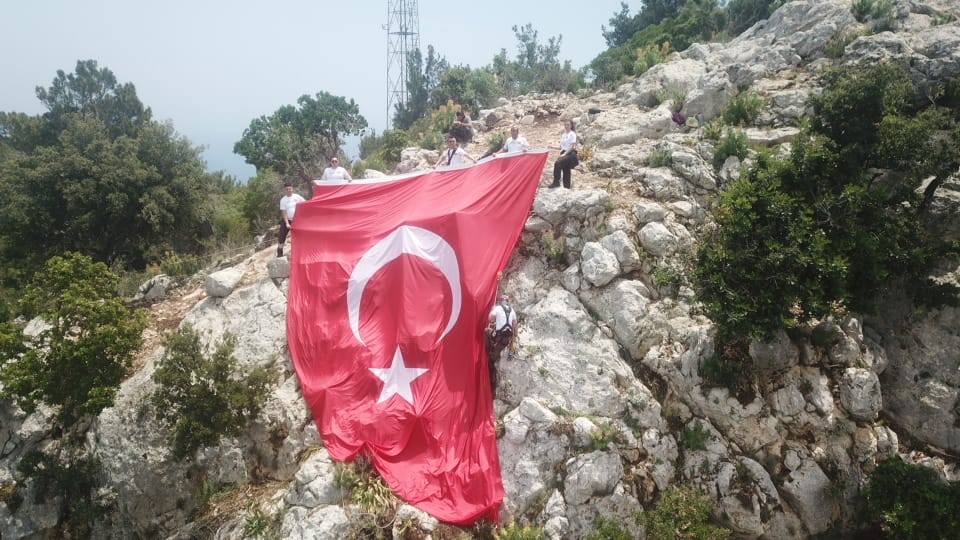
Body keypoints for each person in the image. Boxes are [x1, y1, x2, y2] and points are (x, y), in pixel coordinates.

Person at [485, 294, 517, 394]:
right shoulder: (512, 310)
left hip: (498, 337)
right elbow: (515, 325)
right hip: (507, 339)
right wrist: (514, 338)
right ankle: (494, 352)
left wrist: (492, 310)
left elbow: (490, 319)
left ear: (500, 301)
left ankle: (489, 353)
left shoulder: (498, 308)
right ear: (507, 302)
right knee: (497, 345)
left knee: (486, 331)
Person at [548, 120, 578, 189]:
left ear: (571, 125)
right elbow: (561, 147)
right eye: (565, 125)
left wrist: (564, 154)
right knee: (566, 170)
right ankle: (567, 187)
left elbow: (572, 146)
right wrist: (551, 147)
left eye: (568, 125)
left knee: (557, 163)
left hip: (570, 153)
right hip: (564, 152)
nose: (566, 126)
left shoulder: (572, 134)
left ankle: (556, 182)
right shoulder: (563, 135)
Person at [277, 182, 305, 257]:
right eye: (287, 189)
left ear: (292, 189)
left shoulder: (297, 197)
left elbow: (305, 203)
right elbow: (284, 212)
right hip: (287, 220)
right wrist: (287, 223)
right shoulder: (283, 200)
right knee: (281, 236)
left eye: (290, 189)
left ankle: (300, 252)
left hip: (297, 220)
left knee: (300, 236)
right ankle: (279, 252)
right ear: (284, 190)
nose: (289, 190)